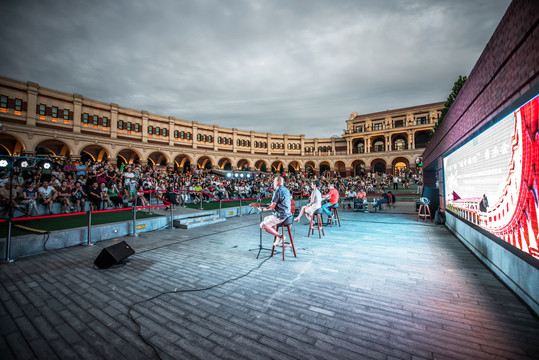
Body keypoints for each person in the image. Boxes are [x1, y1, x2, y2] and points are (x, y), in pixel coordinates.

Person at [260, 176, 292, 247]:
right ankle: (278, 236)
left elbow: (272, 206)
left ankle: (280, 236)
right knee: (266, 219)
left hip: (281, 216)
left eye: (274, 182)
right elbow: (290, 198)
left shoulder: (277, 191)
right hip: (288, 214)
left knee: (263, 225)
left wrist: (263, 209)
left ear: (277, 182)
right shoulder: (286, 190)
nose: (273, 183)